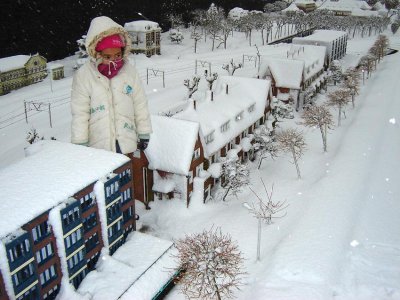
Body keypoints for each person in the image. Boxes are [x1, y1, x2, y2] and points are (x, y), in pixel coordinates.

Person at [71, 16, 152, 154]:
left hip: (125, 140)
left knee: (125, 172)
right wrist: (80, 141)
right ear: (97, 53)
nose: (113, 61)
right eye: (107, 57)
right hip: (98, 144)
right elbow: (80, 112)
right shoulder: (84, 76)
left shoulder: (129, 72)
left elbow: (140, 103)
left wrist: (144, 132)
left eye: (117, 55)